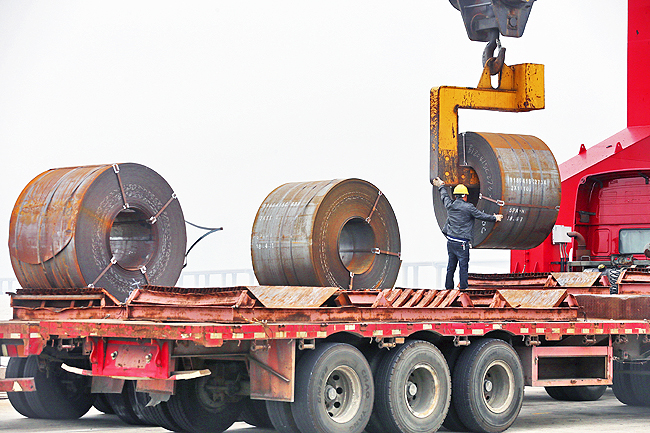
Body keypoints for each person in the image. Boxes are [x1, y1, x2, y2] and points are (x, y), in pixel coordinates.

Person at [432, 177, 503, 290]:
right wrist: (494, 218)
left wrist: (441, 185)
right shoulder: (469, 207)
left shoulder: (450, 205)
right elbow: (481, 216)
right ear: (465, 196)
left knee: (451, 267)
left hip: (451, 242)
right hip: (462, 244)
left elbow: (444, 196)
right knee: (463, 267)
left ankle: (448, 289)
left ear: (456, 196)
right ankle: (463, 289)